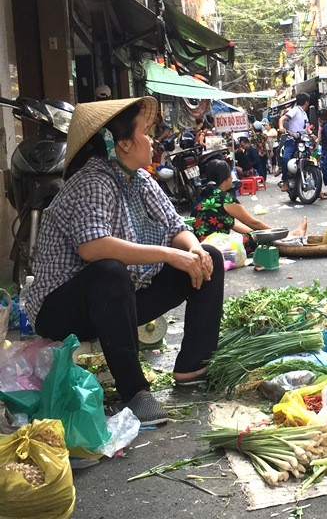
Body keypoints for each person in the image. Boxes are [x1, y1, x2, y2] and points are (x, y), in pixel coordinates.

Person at [23, 97, 224, 427]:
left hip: (118, 303)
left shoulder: (141, 180)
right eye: (145, 133)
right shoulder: (92, 181)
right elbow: (93, 247)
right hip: (62, 310)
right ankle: (135, 393)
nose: (152, 140)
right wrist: (170, 254)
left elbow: (176, 228)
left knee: (211, 257)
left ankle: (193, 365)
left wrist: (194, 250)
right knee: (109, 271)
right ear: (124, 144)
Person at [191, 160, 307, 255]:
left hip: (199, 245)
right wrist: (277, 234)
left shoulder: (205, 194)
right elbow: (253, 223)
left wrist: (260, 233)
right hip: (216, 248)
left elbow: (235, 224)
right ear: (227, 178)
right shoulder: (226, 198)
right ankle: (289, 238)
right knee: (258, 240)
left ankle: (289, 237)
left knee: (256, 236)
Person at [277, 93, 311, 191]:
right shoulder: (295, 110)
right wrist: (281, 127)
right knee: (285, 158)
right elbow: (282, 119)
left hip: (303, 141)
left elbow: (307, 127)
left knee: (312, 159)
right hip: (292, 141)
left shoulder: (304, 114)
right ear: (306, 102)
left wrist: (311, 134)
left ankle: (318, 189)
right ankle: (285, 181)